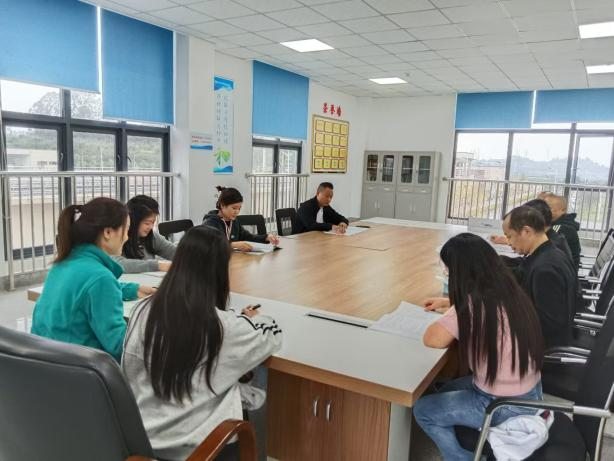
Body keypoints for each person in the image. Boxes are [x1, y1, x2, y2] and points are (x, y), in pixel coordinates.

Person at [122, 226, 282, 461]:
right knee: (249, 381)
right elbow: (273, 334)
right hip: (203, 449)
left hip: (144, 440)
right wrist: (253, 319)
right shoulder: (223, 326)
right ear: (219, 271)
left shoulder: (143, 309)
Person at [414, 233, 544, 461]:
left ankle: (460, 458)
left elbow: (432, 339)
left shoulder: (474, 306)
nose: (448, 275)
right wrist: (451, 303)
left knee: (423, 409)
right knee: (443, 389)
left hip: (503, 404)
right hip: (529, 392)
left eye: (449, 271)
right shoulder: (508, 290)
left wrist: (454, 309)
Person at [31, 197, 156, 362]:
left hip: (45, 361)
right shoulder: (101, 278)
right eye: (126, 230)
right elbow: (119, 346)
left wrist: (132, 289)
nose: (127, 237)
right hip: (80, 368)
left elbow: (83, 290)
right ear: (108, 232)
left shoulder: (64, 262)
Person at [503, 205, 578, 347]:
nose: (508, 242)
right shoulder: (550, 254)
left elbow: (548, 327)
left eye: (510, 236)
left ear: (526, 231)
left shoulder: (545, 269)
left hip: (542, 350)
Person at [491, 199, 573, 267]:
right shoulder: (546, 245)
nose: (509, 243)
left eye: (510, 236)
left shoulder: (549, 260)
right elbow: (528, 263)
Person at [202, 186, 279, 252]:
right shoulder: (210, 223)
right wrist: (233, 244)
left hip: (234, 259)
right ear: (222, 205)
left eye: (239, 208)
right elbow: (211, 244)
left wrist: (266, 237)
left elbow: (248, 237)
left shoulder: (234, 222)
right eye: (234, 208)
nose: (237, 212)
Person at [114, 195, 177, 273]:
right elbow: (117, 264)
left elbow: (173, 251)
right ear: (133, 221)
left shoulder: (151, 236)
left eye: (153, 222)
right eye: (147, 223)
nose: (151, 227)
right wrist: (157, 265)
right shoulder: (117, 237)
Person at [539, 192, 581, 271]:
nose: (544, 211)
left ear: (563, 210)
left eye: (549, 208)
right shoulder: (559, 224)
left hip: (562, 273)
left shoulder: (563, 228)